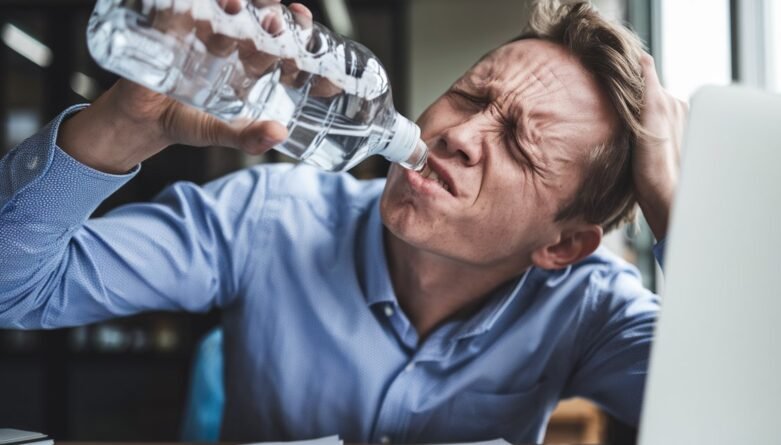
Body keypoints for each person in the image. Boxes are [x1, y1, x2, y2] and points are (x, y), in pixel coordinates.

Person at [0, 0, 686, 443]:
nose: (459, 134)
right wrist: (126, 124)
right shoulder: (270, 217)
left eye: (518, 144)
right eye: (470, 94)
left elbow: (765, 415)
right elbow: (15, 286)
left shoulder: (590, 308)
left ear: (563, 244)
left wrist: (674, 207)